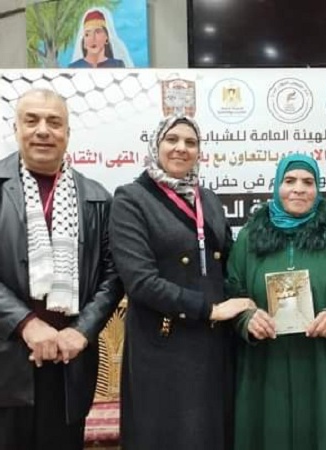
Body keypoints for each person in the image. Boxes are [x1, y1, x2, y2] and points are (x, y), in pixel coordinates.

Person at [0, 88, 124, 449]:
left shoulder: (96, 198)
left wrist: (82, 331)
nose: (43, 130)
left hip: (69, 365)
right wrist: (27, 325)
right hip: (0, 365)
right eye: (32, 120)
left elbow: (112, 276)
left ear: (67, 133)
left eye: (54, 122)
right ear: (16, 129)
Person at [109, 115, 253, 450]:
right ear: (156, 145)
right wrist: (208, 309)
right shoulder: (131, 200)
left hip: (212, 344)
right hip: (163, 343)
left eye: (190, 142)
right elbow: (140, 281)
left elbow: (230, 261)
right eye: (172, 139)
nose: (181, 148)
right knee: (168, 435)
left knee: (211, 435)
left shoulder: (209, 199)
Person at [227, 154, 326, 450]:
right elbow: (231, 293)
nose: (298, 189)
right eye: (290, 181)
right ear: (277, 186)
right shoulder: (248, 239)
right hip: (266, 369)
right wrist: (248, 319)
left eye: (308, 182)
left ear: (317, 189)